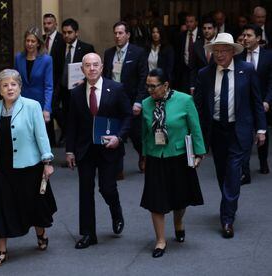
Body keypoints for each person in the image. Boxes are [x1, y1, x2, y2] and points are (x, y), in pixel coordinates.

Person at [194, 33, 267, 239]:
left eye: (223, 51)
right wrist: (195, 132)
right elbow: (198, 106)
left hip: (239, 130)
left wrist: (261, 129)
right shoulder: (204, 74)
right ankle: (229, 201)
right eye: (216, 51)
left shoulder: (247, 70)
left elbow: (256, 101)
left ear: (233, 52)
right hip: (216, 130)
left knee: (233, 172)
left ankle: (227, 217)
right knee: (222, 172)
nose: (219, 55)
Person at [0, 69, 57, 266]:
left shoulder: (32, 106)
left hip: (28, 166)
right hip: (1, 167)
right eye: (5, 85)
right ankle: (1, 250)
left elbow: (41, 135)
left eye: (13, 84)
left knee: (32, 205)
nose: (10, 88)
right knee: (1, 206)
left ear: (20, 87)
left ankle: (41, 233)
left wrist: (47, 162)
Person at [66, 53, 132, 249]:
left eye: (95, 65)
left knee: (107, 188)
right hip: (85, 149)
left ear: (102, 67)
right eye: (88, 65)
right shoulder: (76, 93)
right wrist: (70, 151)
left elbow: (128, 116)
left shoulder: (117, 89)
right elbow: (72, 124)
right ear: (82, 69)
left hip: (109, 148)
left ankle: (115, 209)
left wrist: (119, 137)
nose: (92, 68)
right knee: (85, 191)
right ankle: (88, 234)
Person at [140, 68, 205, 258]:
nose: (150, 90)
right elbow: (145, 134)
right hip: (155, 157)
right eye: (147, 86)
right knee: (155, 201)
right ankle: (160, 240)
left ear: (166, 85)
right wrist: (143, 156)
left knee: (180, 199)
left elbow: (195, 128)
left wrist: (199, 153)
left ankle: (178, 222)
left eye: (154, 86)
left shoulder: (184, 100)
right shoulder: (146, 104)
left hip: (179, 156)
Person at [103, 21, 148, 178]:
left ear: (128, 35)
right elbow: (106, 76)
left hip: (131, 99)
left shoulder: (138, 52)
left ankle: (143, 155)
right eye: (115, 33)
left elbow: (144, 78)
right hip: (113, 99)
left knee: (135, 134)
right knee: (117, 132)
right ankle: (118, 169)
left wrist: (139, 101)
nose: (117, 36)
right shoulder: (108, 53)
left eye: (120, 33)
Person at [239, 24, 272, 183]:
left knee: (262, 132)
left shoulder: (268, 56)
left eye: (249, 35)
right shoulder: (239, 56)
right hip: (244, 103)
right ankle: (245, 170)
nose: (245, 38)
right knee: (245, 136)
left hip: (263, 102)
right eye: (244, 35)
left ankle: (263, 161)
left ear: (258, 38)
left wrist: (267, 101)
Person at [57, 18, 95, 146]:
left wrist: (84, 80)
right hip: (62, 88)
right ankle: (67, 137)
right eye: (64, 32)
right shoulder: (59, 47)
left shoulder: (86, 48)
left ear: (76, 33)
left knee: (79, 118)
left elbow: (93, 70)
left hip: (80, 89)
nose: (66, 35)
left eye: (69, 32)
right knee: (61, 113)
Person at [14, 27, 54, 146]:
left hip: (39, 103)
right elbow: (15, 81)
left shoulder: (47, 60)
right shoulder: (18, 58)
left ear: (38, 43)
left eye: (33, 41)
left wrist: (47, 109)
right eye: (27, 41)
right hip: (22, 102)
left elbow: (49, 86)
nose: (29, 44)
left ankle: (44, 162)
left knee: (39, 137)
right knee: (23, 135)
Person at [43, 13, 66, 146]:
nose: (46, 26)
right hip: (46, 81)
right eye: (45, 23)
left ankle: (67, 131)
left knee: (54, 108)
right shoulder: (41, 39)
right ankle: (51, 140)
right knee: (49, 110)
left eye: (49, 23)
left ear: (55, 24)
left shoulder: (62, 39)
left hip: (58, 80)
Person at [174, 14, 203, 94]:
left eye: (191, 21)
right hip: (184, 71)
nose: (189, 24)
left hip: (198, 71)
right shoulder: (181, 35)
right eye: (187, 22)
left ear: (196, 22)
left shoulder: (202, 34)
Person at [190, 17, 217, 90]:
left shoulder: (219, 44)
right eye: (204, 28)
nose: (206, 31)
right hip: (201, 84)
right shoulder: (196, 45)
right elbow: (193, 68)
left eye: (209, 28)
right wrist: (192, 86)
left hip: (217, 83)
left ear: (215, 29)